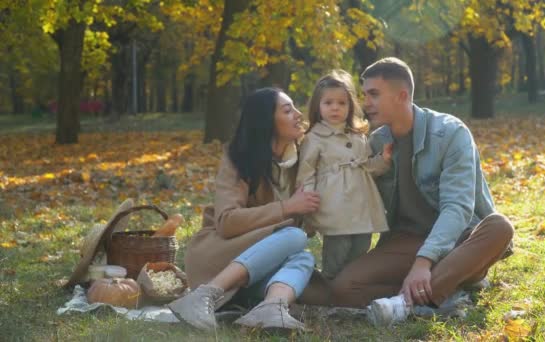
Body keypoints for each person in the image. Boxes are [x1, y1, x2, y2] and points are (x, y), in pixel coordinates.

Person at [330, 57, 514, 325]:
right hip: (406, 240)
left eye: (373, 94)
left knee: (500, 228)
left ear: (401, 96)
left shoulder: (450, 133)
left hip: (460, 240)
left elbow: (458, 208)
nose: (365, 103)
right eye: (365, 94)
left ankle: (405, 303)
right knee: (343, 288)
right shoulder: (377, 142)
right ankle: (449, 287)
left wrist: (423, 262)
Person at [168, 88, 321, 331]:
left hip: (253, 278)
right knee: (294, 236)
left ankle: (272, 308)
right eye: (287, 109)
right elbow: (228, 222)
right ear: (266, 120)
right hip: (219, 258)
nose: (298, 114)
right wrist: (287, 207)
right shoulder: (238, 158)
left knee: (304, 257)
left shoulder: (302, 161)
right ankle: (204, 296)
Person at [296, 70, 392, 279]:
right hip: (334, 205)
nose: (335, 108)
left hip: (361, 205)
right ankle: (330, 286)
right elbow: (306, 173)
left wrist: (383, 160)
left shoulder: (357, 135)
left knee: (360, 247)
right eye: (328, 102)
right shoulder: (314, 138)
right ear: (317, 106)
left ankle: (350, 286)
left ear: (350, 107)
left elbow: (367, 166)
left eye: (341, 103)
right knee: (338, 249)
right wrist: (307, 205)